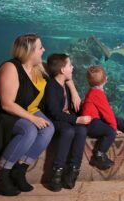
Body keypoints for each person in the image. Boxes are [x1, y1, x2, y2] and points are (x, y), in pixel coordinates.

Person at [0, 34, 58, 196]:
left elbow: (62, 70)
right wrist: (33, 118)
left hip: (23, 110)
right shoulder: (10, 68)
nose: (44, 50)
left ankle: (20, 170)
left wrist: (71, 86)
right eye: (40, 47)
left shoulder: (37, 68)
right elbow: (6, 104)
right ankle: (1, 174)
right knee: (29, 130)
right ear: (30, 51)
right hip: (1, 115)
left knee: (49, 128)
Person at [44, 53, 90, 192]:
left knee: (82, 130)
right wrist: (76, 119)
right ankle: (57, 171)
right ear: (62, 70)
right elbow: (54, 113)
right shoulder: (51, 86)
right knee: (68, 131)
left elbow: (70, 109)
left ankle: (73, 170)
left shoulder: (65, 85)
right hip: (55, 120)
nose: (73, 67)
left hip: (65, 118)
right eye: (70, 65)